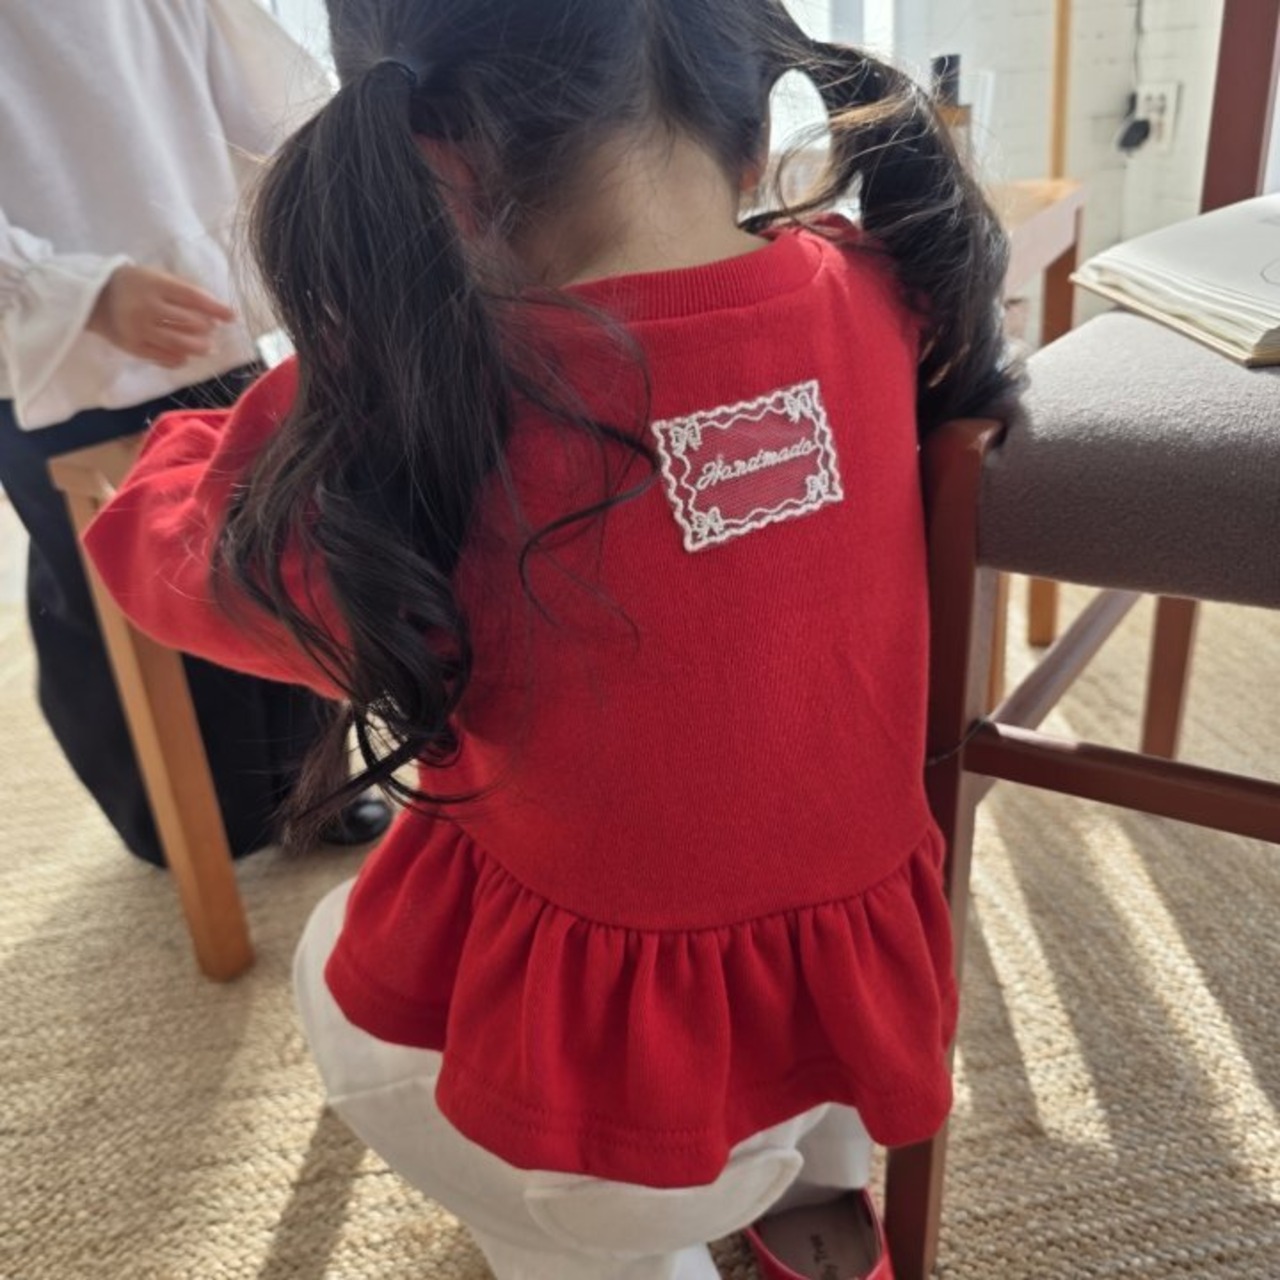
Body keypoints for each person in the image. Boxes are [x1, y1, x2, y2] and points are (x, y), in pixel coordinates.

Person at [83, 0, 1017, 1275]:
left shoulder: (415, 404)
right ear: (752, 129)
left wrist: (184, 449)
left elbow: (170, 560)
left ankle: (628, 1254)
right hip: (850, 1019)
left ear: (427, 160)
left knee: (327, 956)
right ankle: (818, 1201)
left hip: (592, 1125)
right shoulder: (880, 291)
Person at [0, 0, 390, 866]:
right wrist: (64, 289)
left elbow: (270, 104)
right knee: (104, 587)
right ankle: (171, 812)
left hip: (201, 313)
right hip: (44, 350)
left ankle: (307, 778)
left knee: (267, 545)